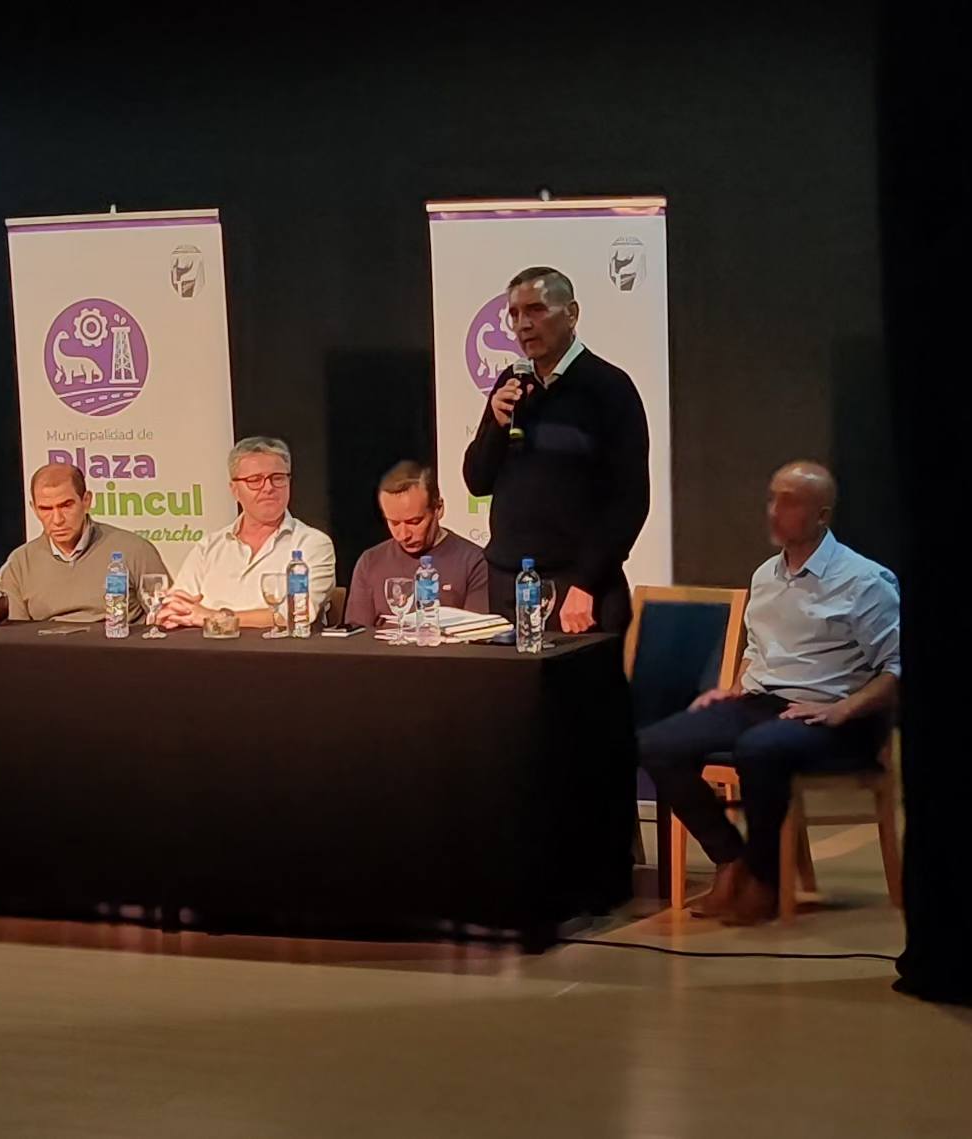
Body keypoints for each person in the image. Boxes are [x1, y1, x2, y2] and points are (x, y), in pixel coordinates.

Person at [638, 462, 900, 925]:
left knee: (760, 749)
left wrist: (842, 709)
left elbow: (896, 668)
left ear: (822, 515)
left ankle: (765, 880)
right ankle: (730, 858)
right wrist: (732, 689)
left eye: (790, 502)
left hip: (834, 716)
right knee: (659, 743)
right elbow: (758, 651)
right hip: (763, 701)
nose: (775, 511)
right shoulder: (765, 576)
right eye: (772, 498)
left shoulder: (864, 582)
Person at [462, 266, 649, 635]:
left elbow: (630, 501)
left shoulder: (608, 387)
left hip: (578, 590)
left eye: (536, 310)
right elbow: (477, 481)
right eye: (514, 314)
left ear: (572, 314)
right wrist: (495, 426)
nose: (523, 325)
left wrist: (586, 581)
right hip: (508, 582)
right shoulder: (511, 383)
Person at [160, 436, 335, 630]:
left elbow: (298, 613)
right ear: (234, 490)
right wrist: (174, 611)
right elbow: (178, 605)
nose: (268, 488)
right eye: (255, 480)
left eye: (277, 478)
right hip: (207, 647)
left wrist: (214, 617)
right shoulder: (209, 547)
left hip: (279, 648)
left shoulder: (313, 544)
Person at [0, 462, 169, 623]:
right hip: (48, 646)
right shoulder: (19, 564)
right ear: (34, 509)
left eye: (66, 505)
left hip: (120, 642)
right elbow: (16, 635)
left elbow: (167, 618)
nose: (57, 520)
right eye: (46, 509)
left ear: (86, 501)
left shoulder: (134, 550)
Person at [345, 461, 489, 627]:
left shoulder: (473, 562)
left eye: (414, 522)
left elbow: (477, 636)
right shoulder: (370, 562)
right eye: (394, 523)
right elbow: (356, 635)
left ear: (438, 509)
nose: (403, 535)